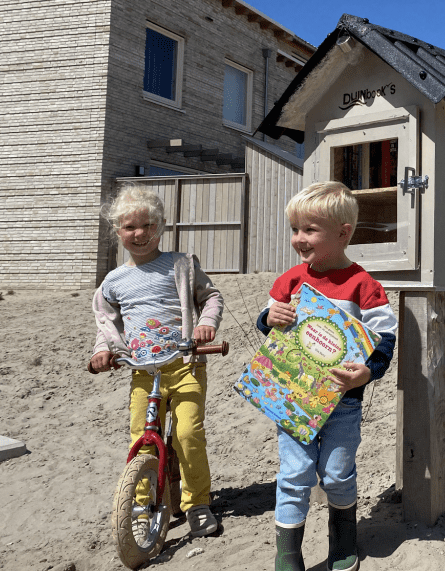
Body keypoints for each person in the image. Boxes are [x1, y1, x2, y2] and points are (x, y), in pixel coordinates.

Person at [256, 181, 397, 571]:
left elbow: (385, 339)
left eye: (309, 229)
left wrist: (368, 372)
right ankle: (287, 554)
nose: (299, 239)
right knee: (294, 475)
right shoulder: (289, 281)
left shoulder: (364, 286)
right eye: (295, 229)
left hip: (343, 403)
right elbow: (272, 331)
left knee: (336, 474)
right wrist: (269, 318)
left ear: (343, 233)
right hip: (294, 399)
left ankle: (343, 539)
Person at [89, 184, 223, 538]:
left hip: (184, 366)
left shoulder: (181, 265)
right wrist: (102, 351)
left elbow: (211, 297)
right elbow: (107, 322)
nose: (140, 234)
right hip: (143, 372)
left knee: (188, 434)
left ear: (161, 225)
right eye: (130, 227)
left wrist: (207, 323)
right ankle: (142, 505)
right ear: (117, 231)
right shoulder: (114, 281)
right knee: (143, 439)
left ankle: (197, 503)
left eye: (148, 225)